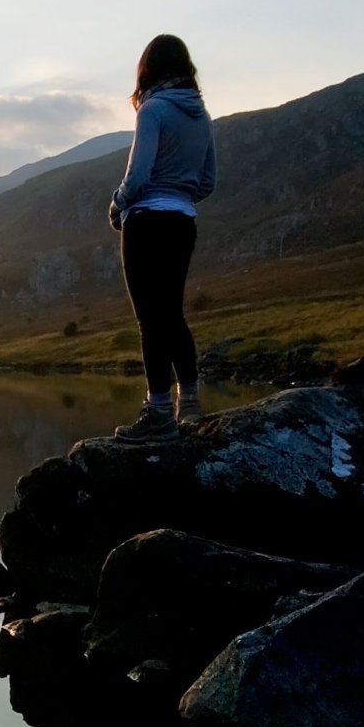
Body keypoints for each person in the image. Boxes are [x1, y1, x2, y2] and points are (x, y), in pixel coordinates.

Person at [107, 34, 217, 442]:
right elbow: (208, 181)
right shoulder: (201, 116)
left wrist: (118, 204)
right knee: (172, 314)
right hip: (182, 221)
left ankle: (157, 413)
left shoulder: (152, 110)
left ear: (147, 69)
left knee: (149, 319)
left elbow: (137, 176)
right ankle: (188, 405)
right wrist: (181, 195)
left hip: (147, 222)